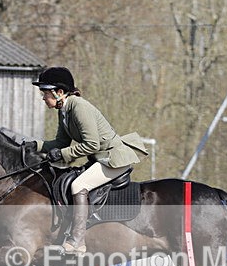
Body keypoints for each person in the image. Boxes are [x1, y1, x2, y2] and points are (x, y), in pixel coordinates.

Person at [33, 67, 146, 254]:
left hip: (112, 158)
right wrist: (35, 145)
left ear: (59, 92)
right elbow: (61, 142)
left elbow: (92, 144)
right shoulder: (64, 110)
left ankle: (77, 240)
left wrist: (62, 154)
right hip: (100, 158)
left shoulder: (78, 107)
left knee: (78, 186)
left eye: (45, 92)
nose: (43, 97)